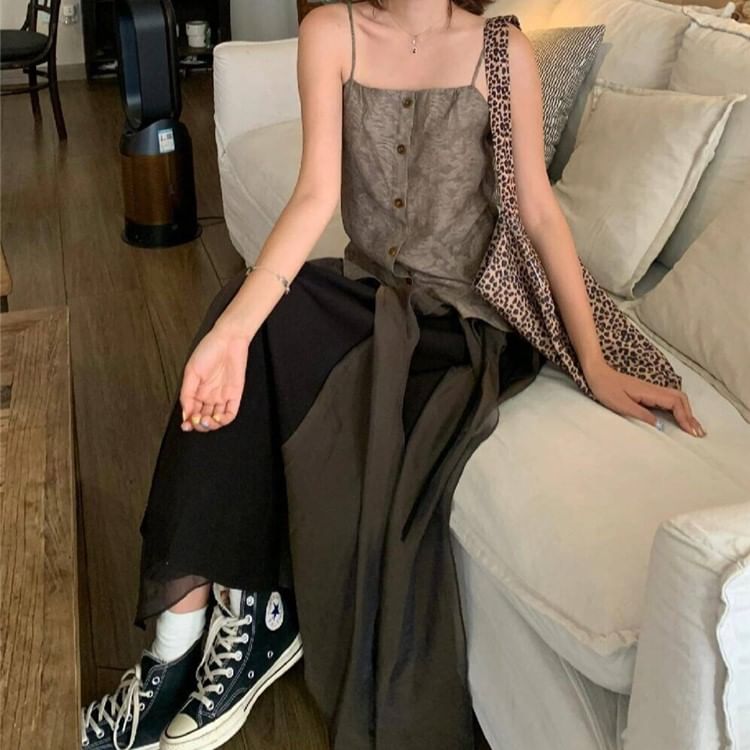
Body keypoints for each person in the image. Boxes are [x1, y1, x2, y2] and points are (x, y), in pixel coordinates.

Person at [80, 1, 706, 749]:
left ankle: (242, 630)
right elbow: (316, 195)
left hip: (460, 326)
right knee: (240, 320)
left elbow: (539, 214)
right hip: (369, 293)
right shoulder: (330, 33)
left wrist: (595, 364)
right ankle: (173, 651)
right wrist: (233, 331)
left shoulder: (503, 52)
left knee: (262, 337)